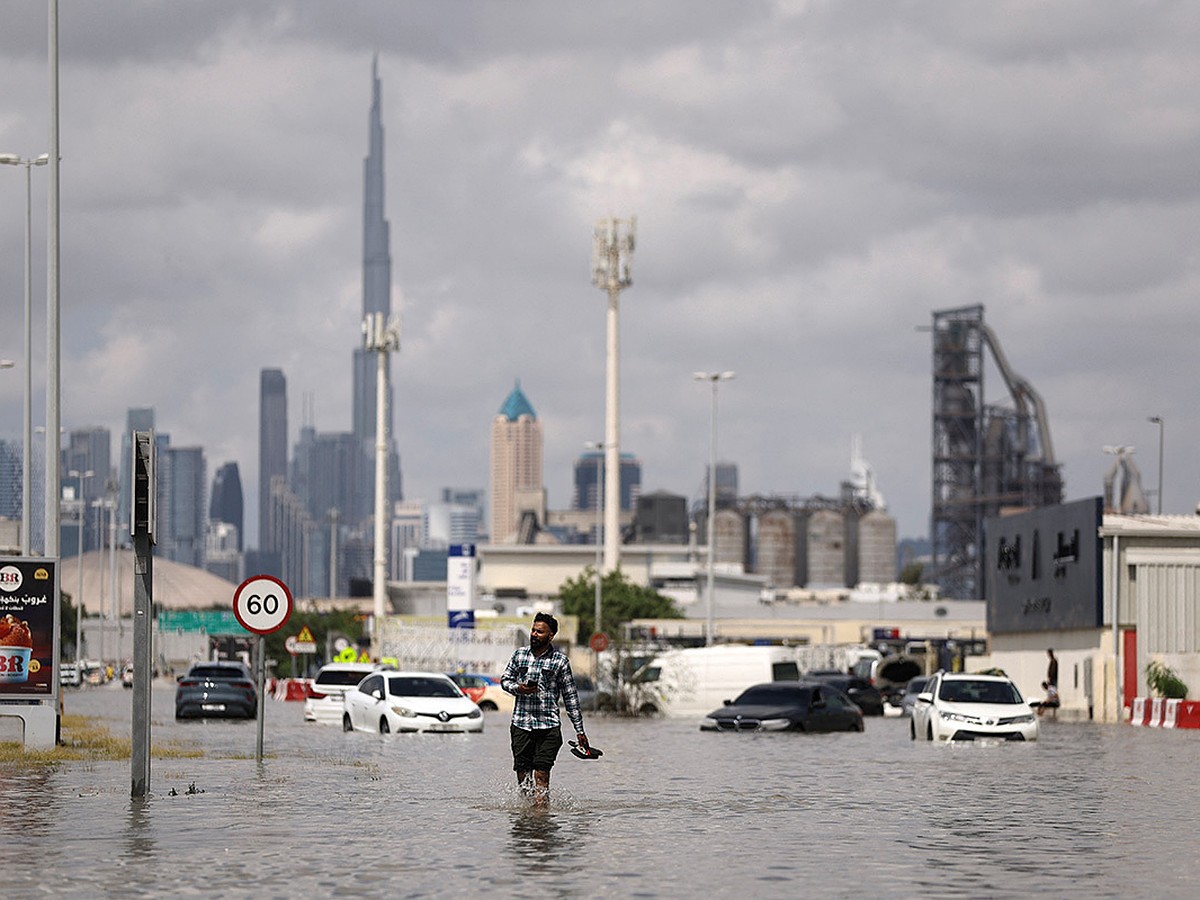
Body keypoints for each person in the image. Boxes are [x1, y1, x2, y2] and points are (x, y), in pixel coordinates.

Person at [501, 613, 589, 806]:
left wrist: (579, 730)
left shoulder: (560, 662)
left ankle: (541, 821)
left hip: (548, 727)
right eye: (533, 630)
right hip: (521, 724)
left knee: (542, 774)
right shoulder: (519, 655)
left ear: (551, 636)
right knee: (524, 777)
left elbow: (570, 697)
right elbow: (505, 681)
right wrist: (519, 688)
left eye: (539, 632)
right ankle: (526, 818)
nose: (534, 634)